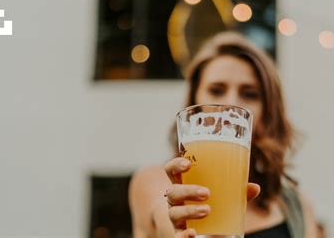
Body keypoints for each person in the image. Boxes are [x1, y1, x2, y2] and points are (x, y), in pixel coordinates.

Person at [129, 31, 318, 238]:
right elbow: (162, 216)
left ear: (268, 112)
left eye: (250, 94)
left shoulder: (295, 206)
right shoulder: (155, 182)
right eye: (216, 90)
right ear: (195, 104)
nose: (231, 105)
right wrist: (183, 225)